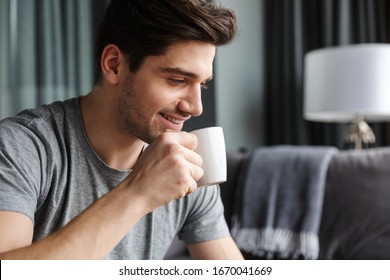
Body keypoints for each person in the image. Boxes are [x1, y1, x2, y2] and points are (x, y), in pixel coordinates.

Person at [0, 0, 243, 260]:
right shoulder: (22, 147)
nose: (196, 108)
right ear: (114, 64)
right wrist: (138, 193)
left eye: (202, 85)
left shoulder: (186, 166)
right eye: (177, 80)